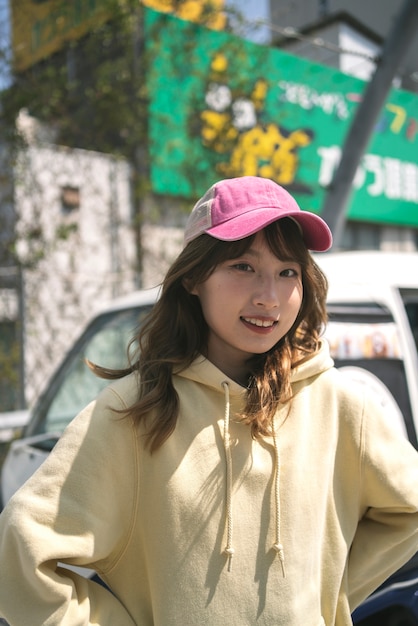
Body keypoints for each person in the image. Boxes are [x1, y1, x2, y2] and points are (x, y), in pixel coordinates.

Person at [0, 176, 418, 626]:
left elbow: (409, 508)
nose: (269, 296)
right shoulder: (135, 412)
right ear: (195, 276)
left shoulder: (338, 404)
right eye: (243, 266)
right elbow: (21, 555)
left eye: (288, 272)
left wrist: (324, 599)